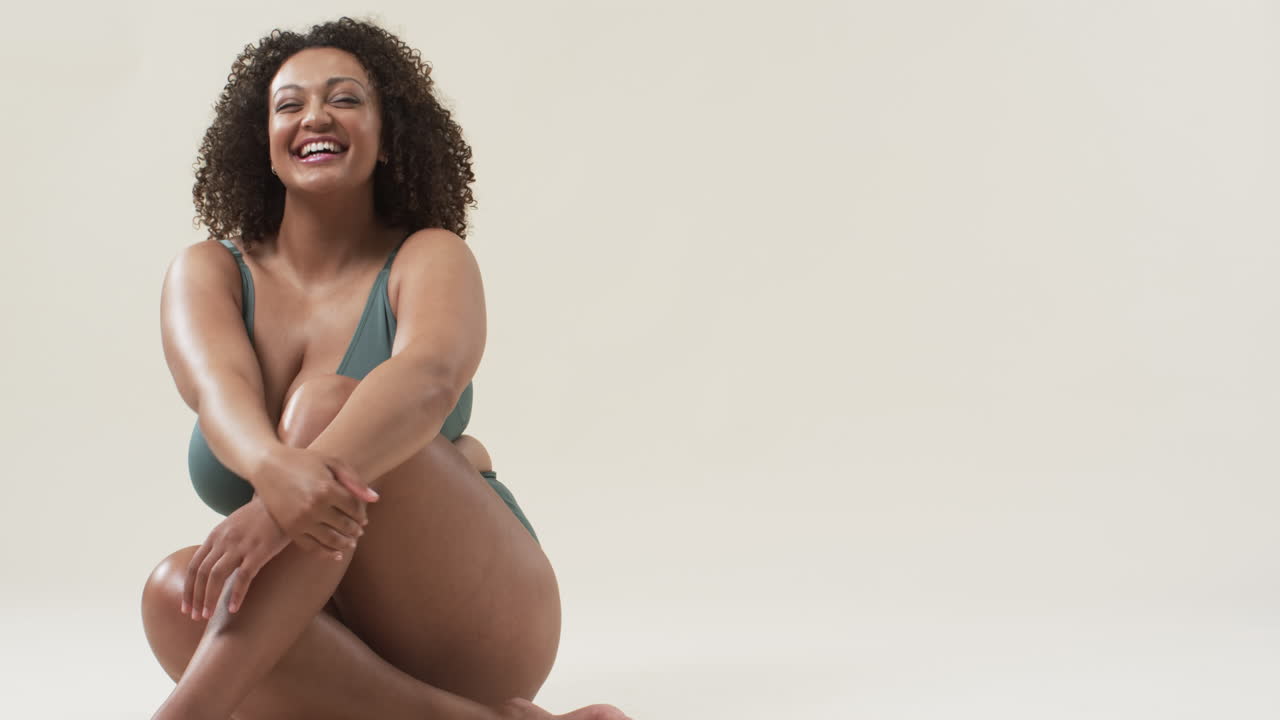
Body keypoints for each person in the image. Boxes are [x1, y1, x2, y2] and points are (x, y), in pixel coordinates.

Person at [139, 17, 628, 720]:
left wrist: (280, 509)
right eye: (289, 104)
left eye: (345, 99)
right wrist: (277, 480)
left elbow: (427, 379)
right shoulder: (208, 271)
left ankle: (187, 712)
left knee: (322, 407)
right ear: (261, 141)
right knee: (171, 592)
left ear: (388, 131)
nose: (315, 116)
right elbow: (219, 394)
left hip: (475, 613)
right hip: (327, 636)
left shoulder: (430, 257)